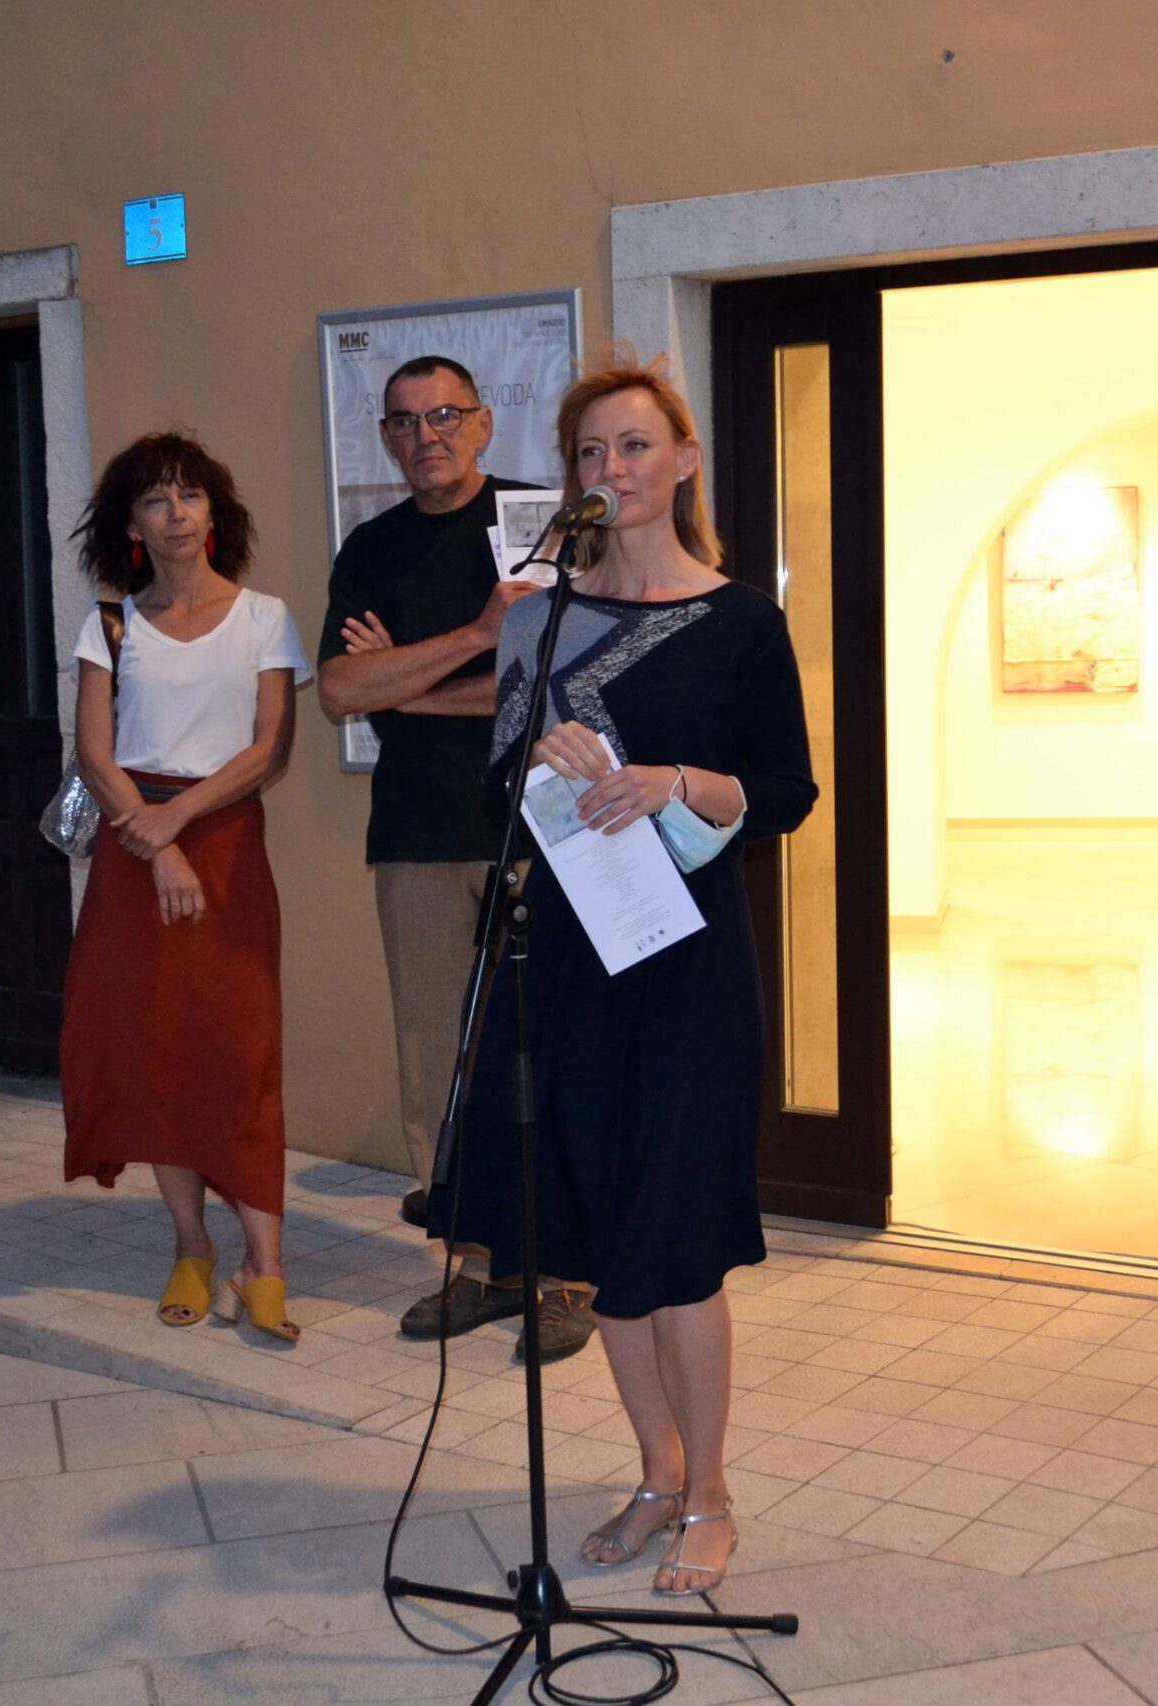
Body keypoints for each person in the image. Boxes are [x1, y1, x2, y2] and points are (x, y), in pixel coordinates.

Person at [443, 357, 816, 1595]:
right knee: (599, 1231)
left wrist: (673, 783)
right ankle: (655, 1473)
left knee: (678, 1233)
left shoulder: (741, 619)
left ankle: (711, 1489)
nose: (613, 469)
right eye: (592, 452)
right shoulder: (540, 617)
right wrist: (542, 765)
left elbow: (789, 791)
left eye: (636, 445)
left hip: (690, 962)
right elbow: (497, 790)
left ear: (685, 458)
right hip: (568, 954)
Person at [316, 355, 596, 1361]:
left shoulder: (544, 529)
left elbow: (565, 679)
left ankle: (565, 1275)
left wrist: (410, 683)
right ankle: (479, 1264)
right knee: (438, 1060)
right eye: (404, 421)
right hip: (419, 834)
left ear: (480, 423)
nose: (425, 435)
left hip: (544, 828)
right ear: (386, 439)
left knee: (553, 1050)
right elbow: (341, 691)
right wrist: (481, 633)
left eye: (444, 415)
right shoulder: (373, 547)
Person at [61, 431, 313, 1343]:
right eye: (156, 500)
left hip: (228, 844)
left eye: (191, 495)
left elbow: (268, 749)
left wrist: (180, 822)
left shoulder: (264, 617)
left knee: (240, 1052)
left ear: (215, 512)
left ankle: (267, 1266)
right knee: (157, 1050)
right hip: (134, 853)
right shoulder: (110, 625)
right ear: (131, 524)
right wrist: (156, 841)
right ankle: (192, 1245)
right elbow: (96, 754)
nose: (176, 514)